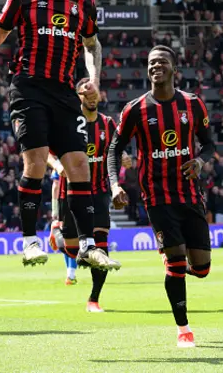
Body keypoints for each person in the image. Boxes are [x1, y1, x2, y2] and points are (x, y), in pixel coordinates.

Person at [0, 0, 118, 271]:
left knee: (79, 166)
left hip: (65, 92)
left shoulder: (84, 3)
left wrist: (94, 80)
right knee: (37, 163)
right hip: (28, 89)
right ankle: (28, 242)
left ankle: (87, 246)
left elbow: (92, 45)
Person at [107, 45, 216, 348]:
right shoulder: (135, 109)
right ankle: (183, 328)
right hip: (156, 196)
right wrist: (115, 184)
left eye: (162, 62)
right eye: (152, 62)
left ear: (173, 68)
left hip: (190, 195)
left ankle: (177, 264)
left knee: (202, 269)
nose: (156, 66)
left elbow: (208, 144)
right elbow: (114, 150)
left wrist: (200, 161)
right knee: (176, 261)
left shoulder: (193, 105)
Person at [48, 78, 129, 312]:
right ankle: (58, 236)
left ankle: (94, 299)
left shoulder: (108, 124)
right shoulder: (67, 123)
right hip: (72, 193)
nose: (92, 98)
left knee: (101, 250)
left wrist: (123, 158)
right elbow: (46, 152)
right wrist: (57, 166)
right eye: (86, 94)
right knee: (74, 250)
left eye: (95, 94)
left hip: (100, 193)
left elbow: (116, 150)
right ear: (78, 97)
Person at [49, 168, 77, 285]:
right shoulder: (78, 159)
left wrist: (55, 209)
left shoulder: (58, 163)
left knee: (65, 236)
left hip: (62, 203)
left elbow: (55, 186)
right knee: (74, 238)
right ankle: (70, 274)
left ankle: (69, 273)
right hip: (77, 200)